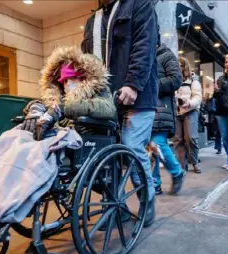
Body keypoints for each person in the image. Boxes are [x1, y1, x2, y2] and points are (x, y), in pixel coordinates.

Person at [0, 46, 117, 245]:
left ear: (85, 77)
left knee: (19, 157)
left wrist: (62, 108)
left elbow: (108, 110)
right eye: (64, 81)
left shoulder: (99, 92)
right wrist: (37, 108)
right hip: (50, 138)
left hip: (76, 143)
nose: (68, 84)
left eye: (72, 79)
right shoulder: (57, 97)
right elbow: (46, 108)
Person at [81, 0, 159, 227]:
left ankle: (147, 200)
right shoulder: (93, 20)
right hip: (104, 100)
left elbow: (144, 46)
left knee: (132, 146)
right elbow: (85, 60)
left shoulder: (140, 6)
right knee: (105, 155)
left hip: (139, 95)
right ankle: (115, 206)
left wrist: (133, 83)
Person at [149, 43, 185, 195]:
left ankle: (177, 172)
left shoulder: (166, 55)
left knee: (158, 143)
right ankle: (155, 184)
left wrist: (153, 85)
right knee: (151, 148)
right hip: (148, 109)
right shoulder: (145, 56)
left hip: (162, 109)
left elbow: (176, 79)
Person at [175, 57, 202, 173]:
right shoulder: (174, 79)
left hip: (190, 111)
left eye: (180, 65)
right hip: (177, 112)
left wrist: (189, 103)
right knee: (178, 139)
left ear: (185, 66)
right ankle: (182, 165)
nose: (178, 67)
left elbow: (198, 97)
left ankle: (194, 162)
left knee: (191, 138)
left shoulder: (193, 80)